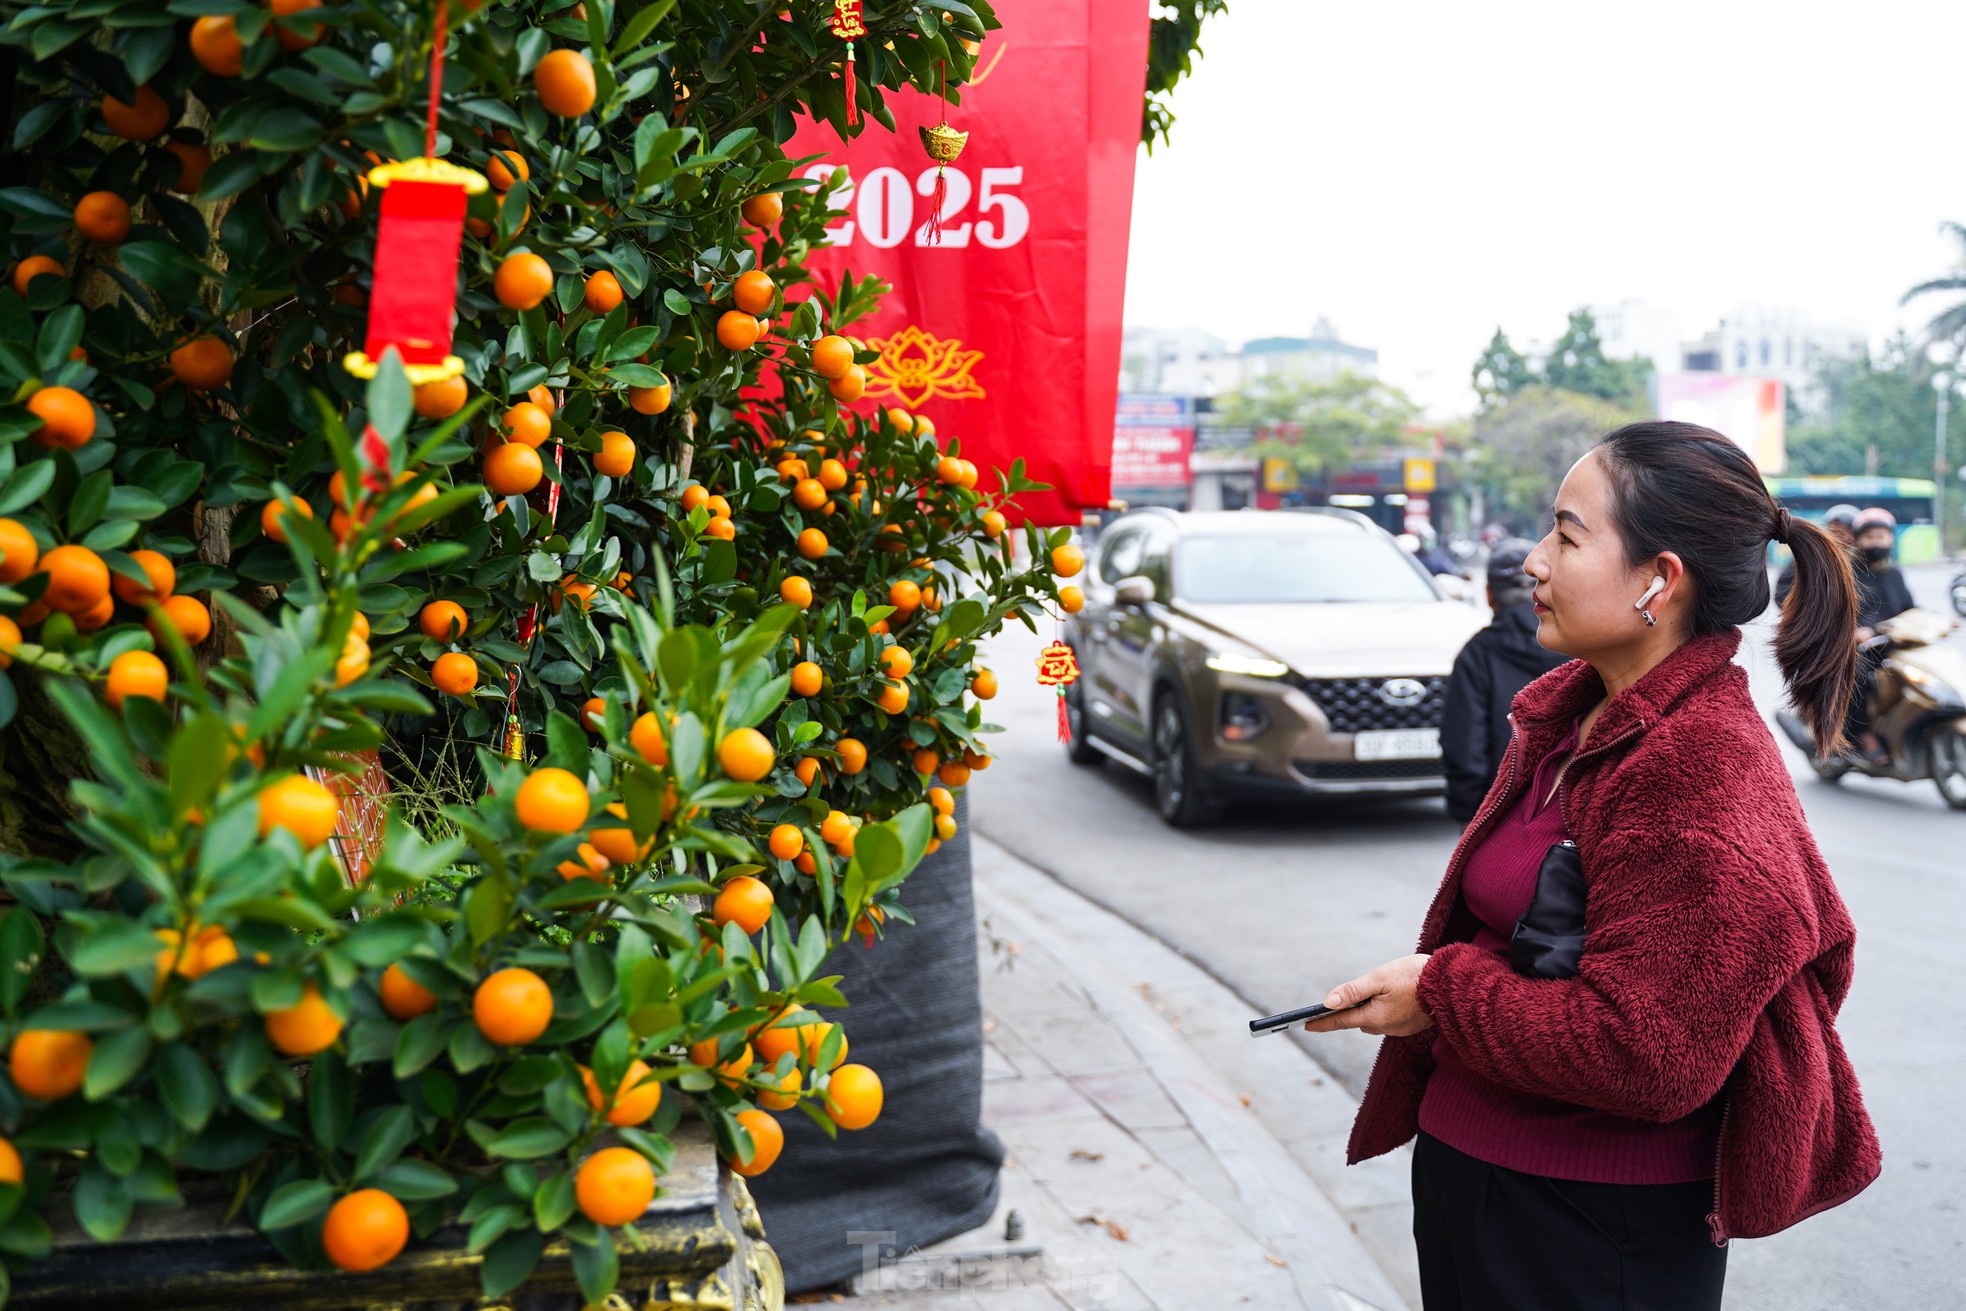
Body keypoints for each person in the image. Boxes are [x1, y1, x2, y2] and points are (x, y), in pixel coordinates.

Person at [1303, 421, 1880, 1311]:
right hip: (1476, 1175)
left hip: (1587, 1228)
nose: (1532, 561)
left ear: (1660, 578)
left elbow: (1648, 1053)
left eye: (1568, 536)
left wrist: (1442, 992)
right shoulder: (1574, 718)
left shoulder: (1701, 768)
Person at [1439, 539, 1569, 823]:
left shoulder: (1477, 655)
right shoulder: (1580, 646)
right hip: (1570, 812)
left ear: (1488, 595)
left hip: (1499, 815)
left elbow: (1463, 744)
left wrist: (1469, 815)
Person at [1846, 507, 1917, 764]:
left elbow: (1909, 608)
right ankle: (1864, 735)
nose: (1876, 541)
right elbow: (1839, 610)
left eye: (1881, 536)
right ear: (1858, 539)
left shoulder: (1894, 572)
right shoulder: (1848, 572)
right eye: (1870, 536)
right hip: (1859, 648)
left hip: (1892, 642)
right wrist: (1855, 632)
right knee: (1858, 675)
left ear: (1891, 539)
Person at [1773, 503, 1856, 606]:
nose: (1843, 539)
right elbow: (1782, 590)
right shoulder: (1810, 554)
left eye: (1848, 533)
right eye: (1836, 533)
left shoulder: (1867, 559)